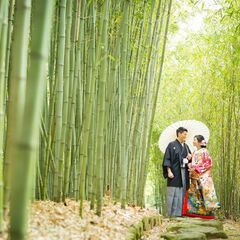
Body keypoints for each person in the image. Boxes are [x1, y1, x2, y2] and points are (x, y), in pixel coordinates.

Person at [182, 135, 220, 219]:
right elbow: (194, 163)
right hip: (195, 176)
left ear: (199, 142)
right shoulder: (195, 151)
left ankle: (208, 213)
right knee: (196, 194)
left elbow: (208, 163)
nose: (193, 141)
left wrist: (194, 168)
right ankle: (197, 212)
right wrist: (190, 161)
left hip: (203, 176)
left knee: (205, 193)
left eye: (194, 140)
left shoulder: (204, 151)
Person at [162, 127, 192, 217]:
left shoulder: (186, 146)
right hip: (174, 172)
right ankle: (169, 214)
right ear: (179, 133)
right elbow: (167, 159)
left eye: (186, 134)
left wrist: (190, 158)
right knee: (173, 192)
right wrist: (169, 171)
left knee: (182, 191)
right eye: (184, 134)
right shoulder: (171, 145)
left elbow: (189, 160)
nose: (186, 136)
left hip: (184, 172)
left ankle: (179, 213)